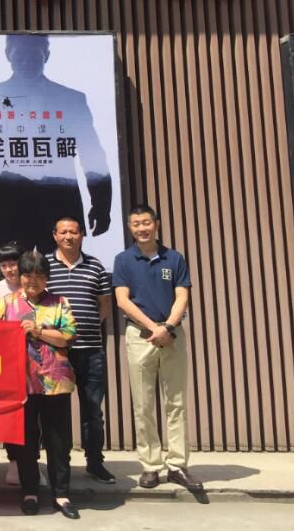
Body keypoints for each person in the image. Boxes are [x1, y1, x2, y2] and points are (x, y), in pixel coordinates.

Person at [0, 33, 113, 260]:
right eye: (21, 56)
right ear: (8, 55)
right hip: (8, 208)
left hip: (60, 205)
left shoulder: (71, 99)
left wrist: (101, 204)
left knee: (63, 276)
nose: (27, 62)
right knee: (14, 277)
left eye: (35, 56)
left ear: (46, 55)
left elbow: (93, 155)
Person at [112, 205, 202, 492]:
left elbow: (182, 296)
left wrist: (168, 327)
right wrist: (154, 328)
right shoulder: (123, 260)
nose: (142, 228)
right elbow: (122, 300)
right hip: (140, 336)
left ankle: (177, 465)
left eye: (146, 222)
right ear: (130, 228)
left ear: (157, 224)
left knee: (176, 402)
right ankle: (151, 465)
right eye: (136, 224)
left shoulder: (174, 258)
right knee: (143, 404)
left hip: (172, 335)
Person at [0, 251, 79, 520]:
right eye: (28, 275)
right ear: (19, 276)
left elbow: (68, 336)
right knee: (26, 442)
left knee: (58, 441)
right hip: (21, 383)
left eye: (40, 276)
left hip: (55, 381)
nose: (33, 281)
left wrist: (38, 331)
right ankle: (29, 492)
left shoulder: (59, 302)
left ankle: (61, 493)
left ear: (47, 278)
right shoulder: (6, 303)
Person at [47, 217, 115, 484]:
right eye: (63, 232)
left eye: (73, 232)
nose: (68, 236)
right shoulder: (45, 265)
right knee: (56, 412)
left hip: (91, 350)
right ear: (54, 235)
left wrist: (85, 326)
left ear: (82, 235)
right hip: (56, 352)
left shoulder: (95, 266)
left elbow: (104, 304)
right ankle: (59, 465)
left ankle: (95, 463)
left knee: (93, 410)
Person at [0, 240, 26, 485]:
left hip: (33, 358)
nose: (10, 269)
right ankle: (14, 461)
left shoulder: (32, 284)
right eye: (4, 265)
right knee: (12, 411)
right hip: (6, 360)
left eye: (13, 264)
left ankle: (31, 462)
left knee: (33, 414)